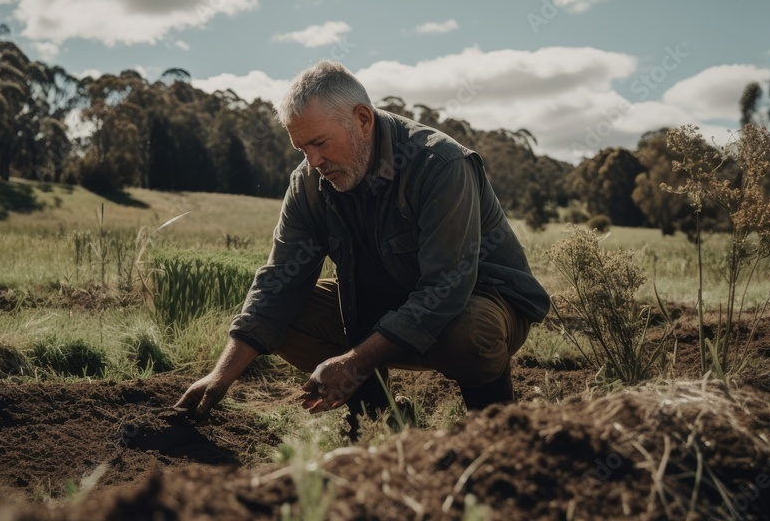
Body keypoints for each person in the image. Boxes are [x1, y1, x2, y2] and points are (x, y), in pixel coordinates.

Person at [175, 60, 549, 438]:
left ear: (363, 120)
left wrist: (353, 362)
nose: (313, 161)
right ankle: (379, 423)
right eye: (302, 148)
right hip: (390, 303)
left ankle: (499, 429)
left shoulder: (439, 164)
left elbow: (446, 289)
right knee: (288, 314)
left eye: (320, 143)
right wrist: (220, 377)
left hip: (482, 301)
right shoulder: (308, 183)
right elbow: (277, 283)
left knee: (465, 332)